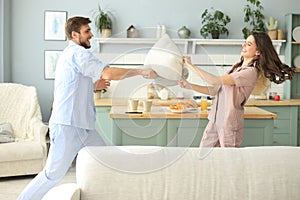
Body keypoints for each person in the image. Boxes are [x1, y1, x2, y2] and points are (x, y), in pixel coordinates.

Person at [18, 16, 157, 200]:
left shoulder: (70, 55)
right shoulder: (77, 53)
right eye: (87, 31)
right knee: (53, 174)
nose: (91, 35)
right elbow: (108, 73)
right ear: (75, 35)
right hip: (68, 126)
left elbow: (70, 85)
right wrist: (141, 71)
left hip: (83, 128)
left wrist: (92, 87)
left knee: (104, 162)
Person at [178, 31, 295, 148]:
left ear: (258, 51)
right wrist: (190, 85)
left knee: (229, 160)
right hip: (215, 120)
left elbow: (214, 80)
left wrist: (190, 66)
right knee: (204, 155)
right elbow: (214, 90)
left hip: (228, 124)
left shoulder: (250, 72)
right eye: (245, 43)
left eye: (249, 44)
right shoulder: (237, 69)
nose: (244, 46)